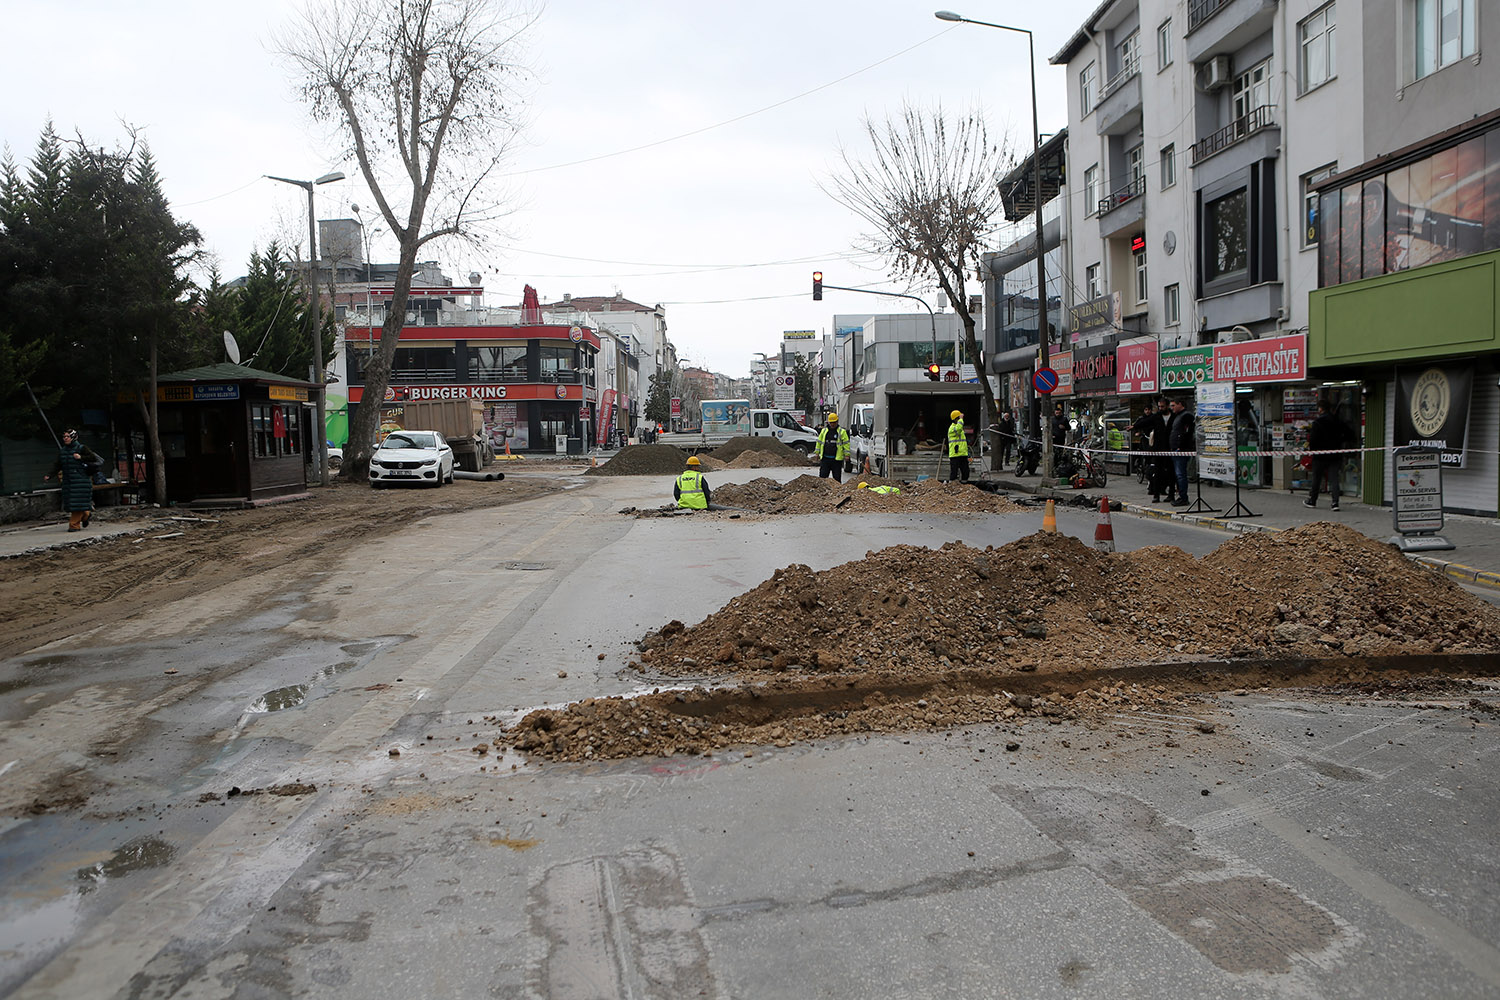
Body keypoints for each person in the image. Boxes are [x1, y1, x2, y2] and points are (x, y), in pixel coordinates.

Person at [44, 428, 101, 531]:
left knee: (77, 503)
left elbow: (93, 458)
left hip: (81, 480)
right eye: (64, 437)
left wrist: (81, 457)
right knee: (73, 503)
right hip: (68, 481)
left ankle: (74, 525)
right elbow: (57, 465)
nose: (65, 439)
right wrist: (49, 475)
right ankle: (86, 514)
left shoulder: (81, 448)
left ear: (73, 437)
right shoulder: (63, 451)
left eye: (68, 436)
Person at [1304, 401, 1355, 511]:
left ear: (1320, 409)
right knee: (1334, 479)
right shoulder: (1338, 421)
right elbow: (1350, 434)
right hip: (1335, 454)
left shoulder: (1318, 422)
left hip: (1320, 455)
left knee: (1316, 478)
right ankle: (1335, 502)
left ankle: (1313, 500)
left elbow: (1312, 439)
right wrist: (1340, 441)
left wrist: (1312, 450)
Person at [1131, 400, 1169, 503]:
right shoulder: (1156, 416)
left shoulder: (1172, 416)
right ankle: (1155, 493)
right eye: (1159, 406)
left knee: (1168, 471)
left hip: (1168, 448)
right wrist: (1134, 427)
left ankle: (1167, 492)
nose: (1161, 408)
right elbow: (1144, 422)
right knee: (1155, 470)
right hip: (1154, 446)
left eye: (1163, 406)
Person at [1166, 398, 1195, 506]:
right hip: (1175, 449)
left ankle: (1183, 497)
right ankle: (1180, 495)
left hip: (1181, 450)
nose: (1171, 408)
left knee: (1180, 474)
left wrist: (1180, 447)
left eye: (1174, 405)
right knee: (1177, 474)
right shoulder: (1178, 416)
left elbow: (1187, 433)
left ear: (1180, 404)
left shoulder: (1186, 416)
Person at [815, 412, 849, 482]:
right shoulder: (824, 431)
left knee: (837, 479)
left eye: (834, 422)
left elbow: (846, 444)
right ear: (828, 422)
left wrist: (847, 455)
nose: (832, 424)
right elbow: (819, 442)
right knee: (822, 479)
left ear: (837, 422)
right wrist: (817, 453)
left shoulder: (841, 432)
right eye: (831, 422)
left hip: (836, 459)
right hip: (825, 459)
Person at [946, 409, 970, 483]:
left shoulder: (959, 429)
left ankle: (964, 484)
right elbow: (959, 428)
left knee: (965, 471)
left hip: (962, 453)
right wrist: (961, 419)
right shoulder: (952, 429)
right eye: (958, 418)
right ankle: (952, 484)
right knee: (954, 472)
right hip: (955, 454)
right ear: (955, 419)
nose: (960, 420)